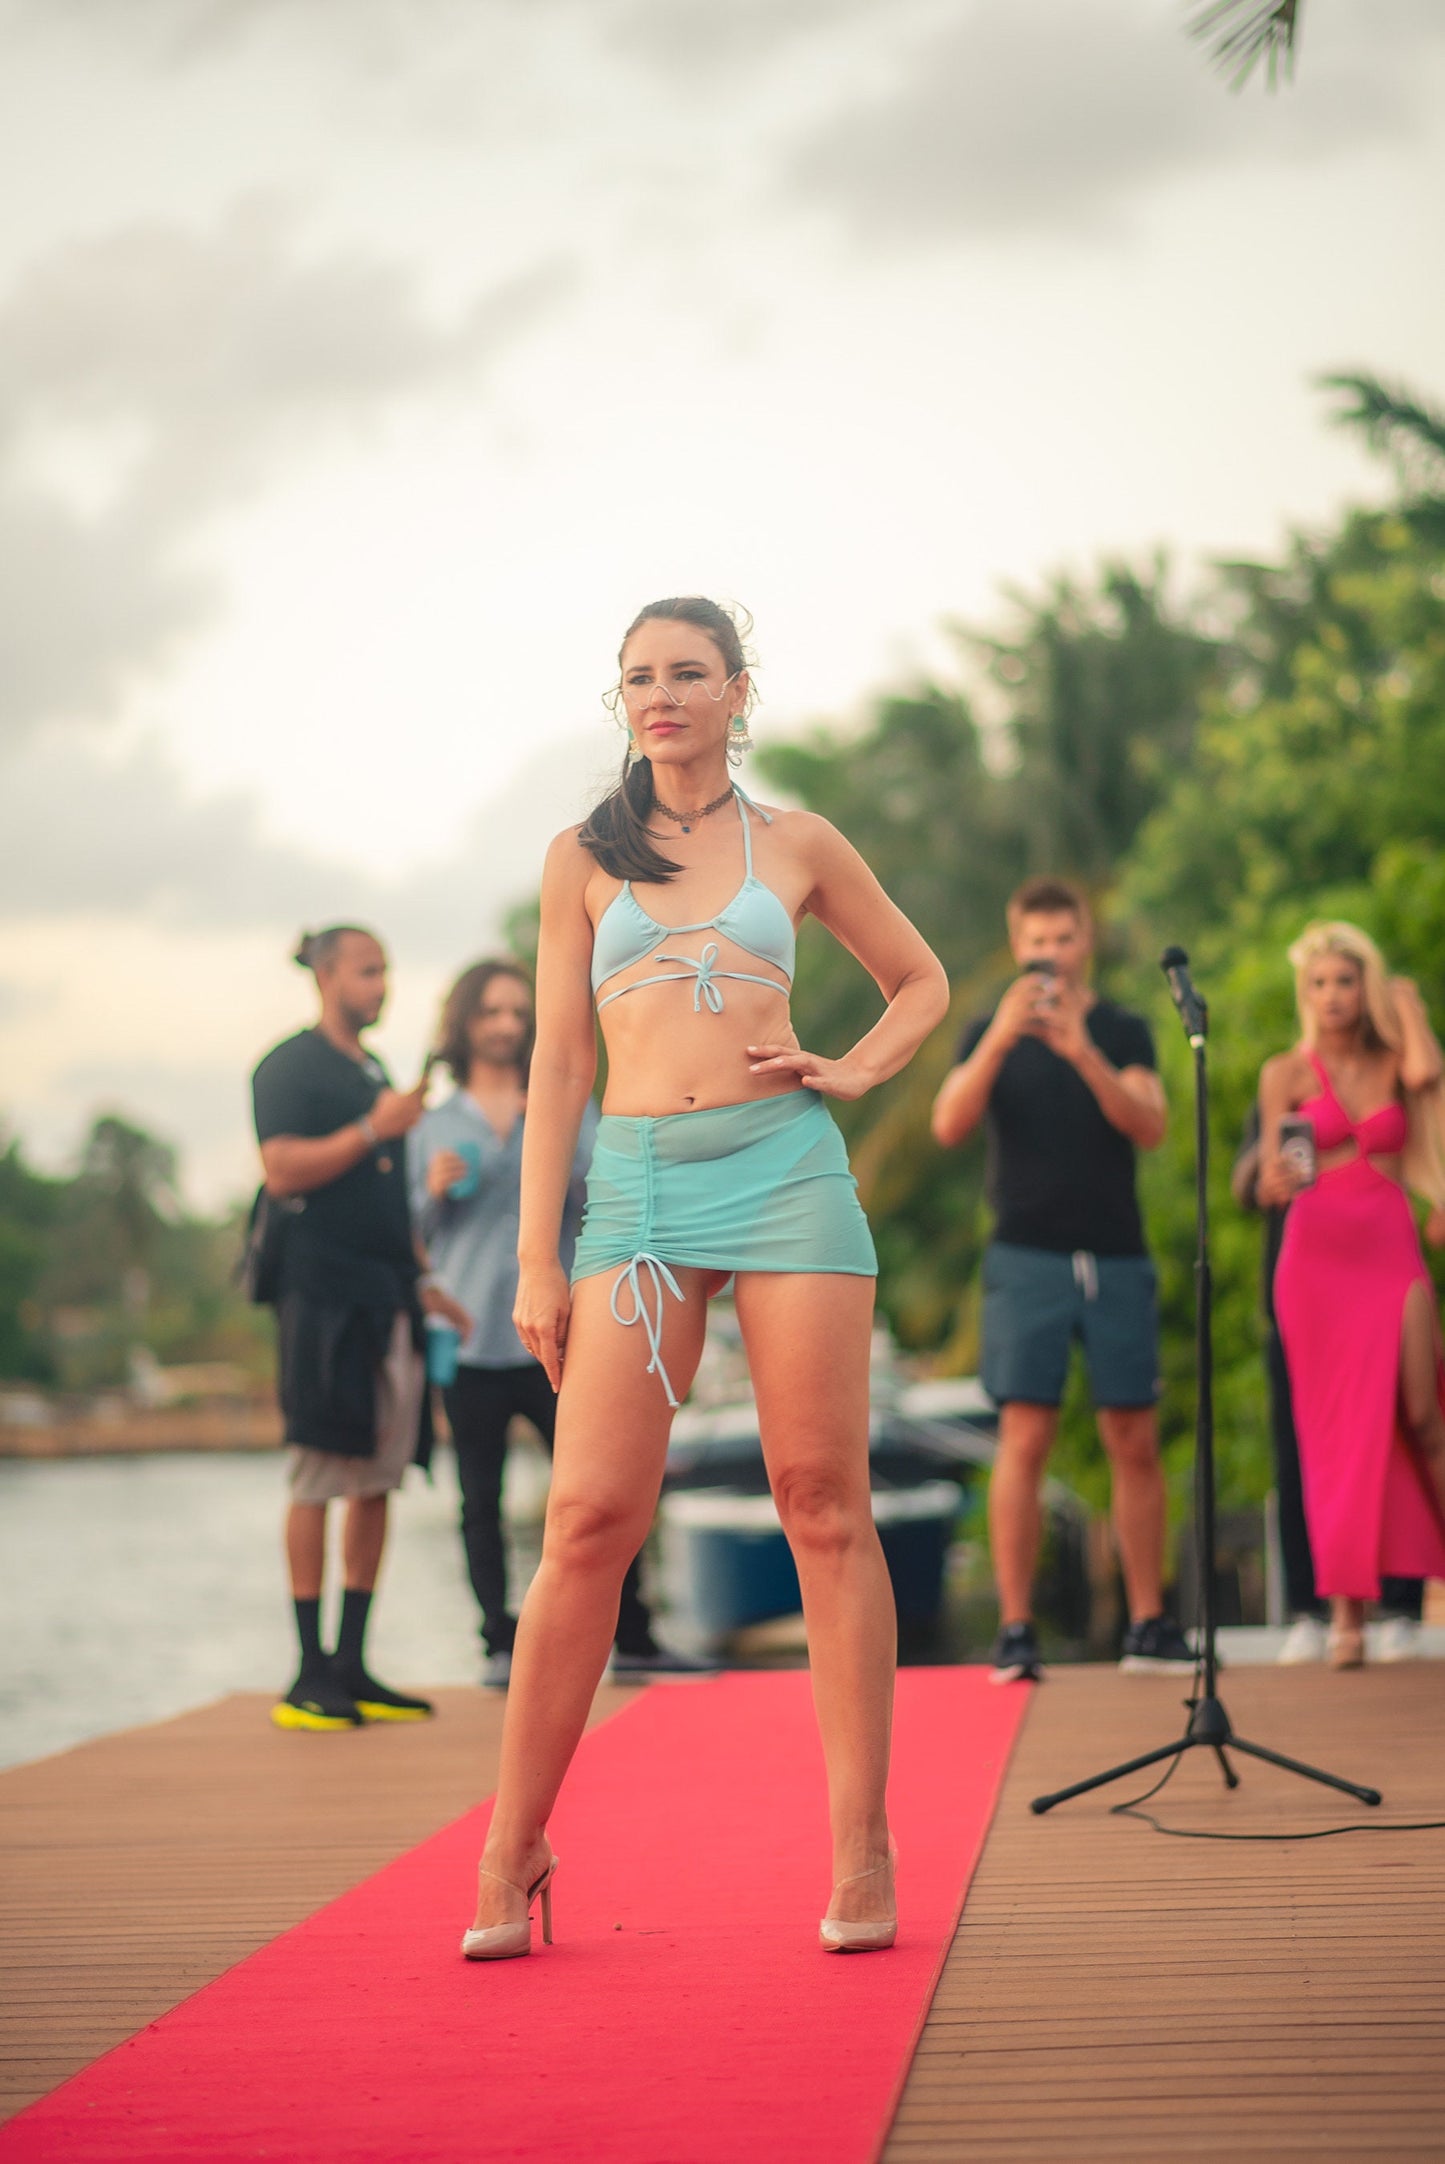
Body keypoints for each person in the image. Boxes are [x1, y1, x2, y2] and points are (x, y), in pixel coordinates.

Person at [459, 596, 948, 1962]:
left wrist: (852, 1070)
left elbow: (919, 982)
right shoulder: (581, 858)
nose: (661, 695)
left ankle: (861, 1847)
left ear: (739, 691)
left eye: (687, 673)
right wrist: (539, 1257)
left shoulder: (796, 843)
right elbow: (559, 1065)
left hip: (786, 1170)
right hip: (642, 1191)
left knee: (822, 1505)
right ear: (618, 702)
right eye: (638, 678)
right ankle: (514, 1848)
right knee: (588, 1521)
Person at [411, 956, 714, 1684]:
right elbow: (412, 1235)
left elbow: (610, 1189)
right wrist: (431, 1191)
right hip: (470, 1339)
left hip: (564, 1333)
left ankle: (634, 1637)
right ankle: (499, 1644)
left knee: (602, 1490)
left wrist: (545, 1136)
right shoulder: (431, 1124)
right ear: (464, 1023)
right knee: (476, 1500)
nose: (506, 1024)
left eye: (518, 1011)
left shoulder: (567, 1100)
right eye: (491, 1012)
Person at [931, 877, 1192, 1683]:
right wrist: (1003, 1039)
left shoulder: (1121, 1028)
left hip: (1114, 1254)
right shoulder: (987, 1032)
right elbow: (947, 1124)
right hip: (1024, 1256)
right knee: (1024, 1437)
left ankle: (1148, 1623)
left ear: (1086, 942)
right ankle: (1015, 1631)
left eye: (1063, 940)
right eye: (1035, 943)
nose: (1048, 956)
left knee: (1132, 1436)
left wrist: (1081, 1048)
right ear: (1017, 947)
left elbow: (1148, 1125)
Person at [252, 925, 470, 1732]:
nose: (381, 986)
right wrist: (376, 1128)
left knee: (377, 1476)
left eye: (386, 972)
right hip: (321, 1301)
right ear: (327, 975)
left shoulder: (372, 1070)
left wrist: (425, 1280)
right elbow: (280, 1171)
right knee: (318, 1474)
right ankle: (308, 1672)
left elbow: (386, 1200)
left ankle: (351, 1663)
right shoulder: (287, 1067)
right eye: (368, 971)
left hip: (390, 1299)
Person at [1259, 921, 1445, 1669]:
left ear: (1362, 985)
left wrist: (1409, 1007)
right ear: (1303, 993)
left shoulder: (1396, 1058)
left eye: (1344, 980)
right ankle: (1346, 1617)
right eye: (1318, 983)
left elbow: (1427, 1077)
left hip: (1390, 1247)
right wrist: (1270, 1180)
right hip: (1315, 1263)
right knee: (1333, 1432)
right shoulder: (1286, 1071)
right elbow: (1278, 1167)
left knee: (1424, 1414)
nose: (1331, 996)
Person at [1232, 1102, 1426, 1663]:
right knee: (1297, 1451)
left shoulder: (1385, 1083)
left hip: (1375, 1285)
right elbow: (1245, 1179)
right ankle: (1308, 1609)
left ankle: (1399, 1606)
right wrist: (1263, 1174)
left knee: (1393, 1439)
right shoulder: (1286, 1085)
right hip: (1305, 1299)